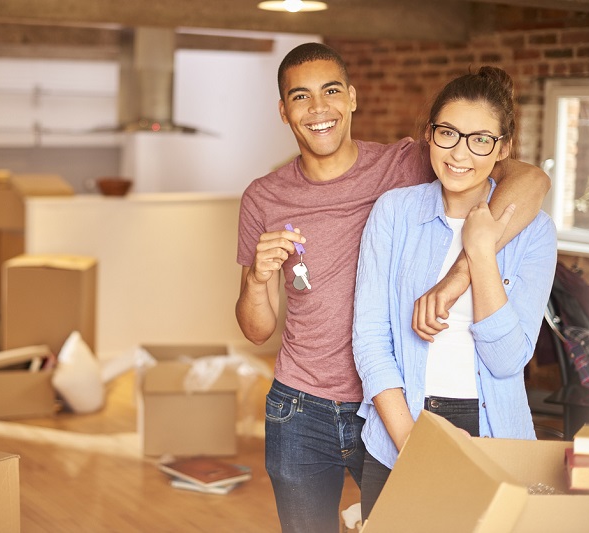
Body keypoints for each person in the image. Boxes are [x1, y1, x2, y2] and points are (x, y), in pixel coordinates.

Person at [235, 42, 550, 533]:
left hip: (383, 405)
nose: (318, 109)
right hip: (301, 408)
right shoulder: (264, 197)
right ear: (283, 110)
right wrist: (257, 278)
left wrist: (457, 278)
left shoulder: (406, 164)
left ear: (353, 98)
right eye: (300, 97)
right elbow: (257, 331)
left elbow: (529, 180)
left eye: (331, 91)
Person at [352, 66, 557, 521]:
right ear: (429, 135)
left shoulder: (534, 233)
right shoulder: (395, 213)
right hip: (401, 430)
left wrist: (482, 252)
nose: (460, 152)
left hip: (495, 436)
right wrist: (412, 444)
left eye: (480, 139)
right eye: (448, 133)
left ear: (503, 149)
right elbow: (369, 338)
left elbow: (507, 360)